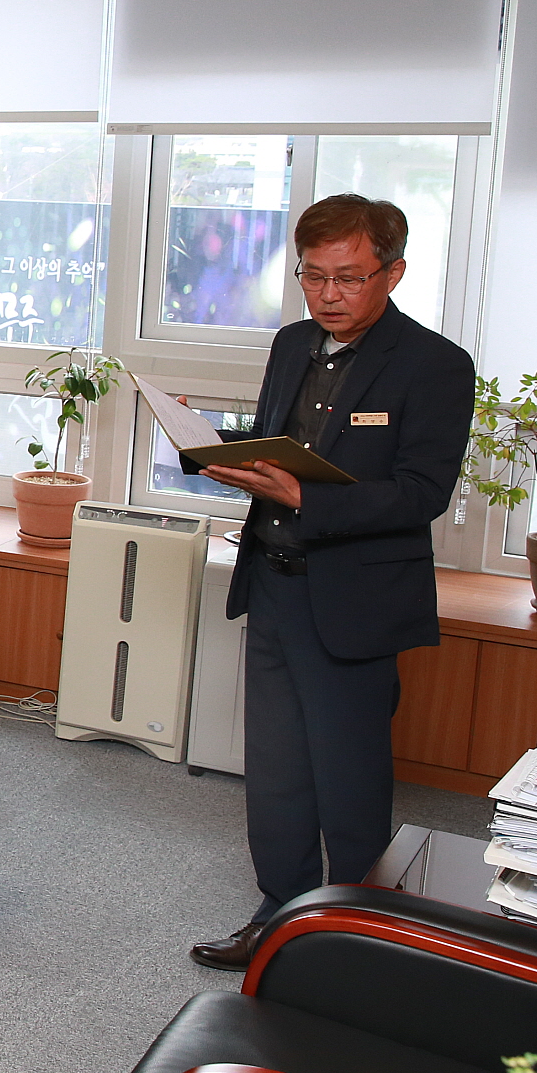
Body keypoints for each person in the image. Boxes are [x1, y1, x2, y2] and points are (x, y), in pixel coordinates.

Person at [189, 194, 474, 971]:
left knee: (348, 781)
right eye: (313, 276)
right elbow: (289, 444)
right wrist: (224, 454)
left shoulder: (435, 364)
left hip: (354, 601)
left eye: (348, 278)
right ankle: (277, 912)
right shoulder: (290, 344)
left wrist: (305, 496)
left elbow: (422, 492)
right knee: (276, 773)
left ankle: (355, 939)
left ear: (393, 272)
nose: (328, 295)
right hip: (274, 584)